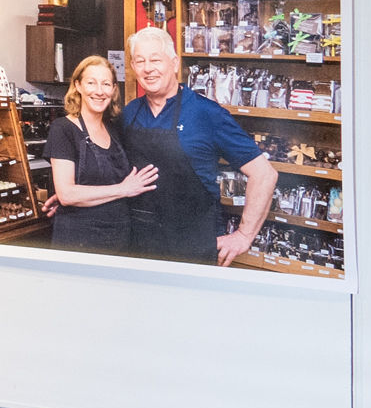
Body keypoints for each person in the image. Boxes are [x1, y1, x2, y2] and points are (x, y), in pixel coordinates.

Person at [116, 28, 276, 266]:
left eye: (155, 59)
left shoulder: (207, 113)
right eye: (140, 61)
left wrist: (244, 235)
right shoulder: (129, 113)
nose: (148, 68)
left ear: (174, 63)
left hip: (193, 241)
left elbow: (264, 174)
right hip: (140, 240)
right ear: (133, 67)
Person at [44, 53, 159, 255]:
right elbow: (67, 195)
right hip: (78, 242)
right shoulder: (63, 129)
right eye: (91, 83)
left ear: (114, 90)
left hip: (119, 237)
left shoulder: (115, 128)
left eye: (106, 84)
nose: (99, 91)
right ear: (78, 85)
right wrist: (122, 189)